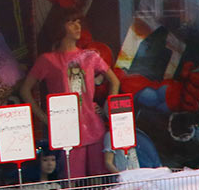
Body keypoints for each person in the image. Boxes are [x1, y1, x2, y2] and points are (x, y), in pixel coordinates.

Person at [17, 9, 121, 179]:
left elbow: (115, 81)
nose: (77, 26)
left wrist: (108, 110)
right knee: (72, 179)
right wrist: (46, 119)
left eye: (79, 22)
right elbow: (25, 90)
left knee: (100, 178)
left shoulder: (90, 56)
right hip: (67, 129)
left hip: (94, 125)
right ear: (60, 26)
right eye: (71, 22)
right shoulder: (48, 60)